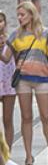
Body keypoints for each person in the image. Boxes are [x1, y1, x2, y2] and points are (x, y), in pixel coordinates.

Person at [3, 2, 48, 165]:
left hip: (42, 77)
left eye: (22, 15)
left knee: (46, 116)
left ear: (32, 15)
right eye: (18, 15)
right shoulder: (15, 35)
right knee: (26, 117)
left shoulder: (45, 33)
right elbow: (6, 58)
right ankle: (28, 156)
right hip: (23, 79)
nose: (19, 18)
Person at [0, 13, 15, 148]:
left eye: (1, 21)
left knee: (7, 119)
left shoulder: (10, 39)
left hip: (8, 82)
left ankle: (8, 152)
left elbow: (7, 58)